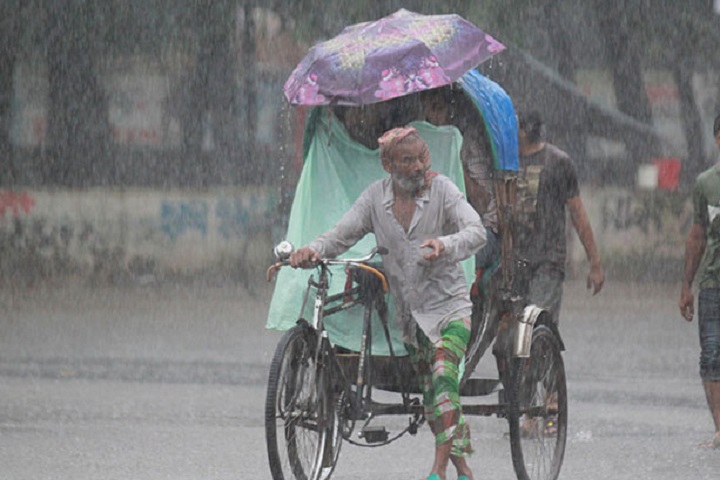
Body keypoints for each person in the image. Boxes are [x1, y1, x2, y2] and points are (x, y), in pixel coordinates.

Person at [290, 126, 486, 480]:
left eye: (421, 158)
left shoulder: (443, 190)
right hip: (412, 320)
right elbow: (340, 234)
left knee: (444, 377)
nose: (416, 168)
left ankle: (437, 473)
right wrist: (313, 250)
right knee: (435, 403)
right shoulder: (373, 201)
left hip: (451, 309)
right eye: (407, 161)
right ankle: (465, 471)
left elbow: (476, 231)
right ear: (388, 165)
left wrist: (445, 244)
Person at [514, 111, 605, 324]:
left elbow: (578, 214)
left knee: (535, 323)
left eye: (514, 127)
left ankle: (543, 355)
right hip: (516, 261)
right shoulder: (508, 160)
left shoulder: (557, 163)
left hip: (547, 260)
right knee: (510, 337)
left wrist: (595, 263)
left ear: (524, 132)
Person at [678, 113, 720, 449]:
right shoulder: (706, 183)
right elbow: (697, 236)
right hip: (712, 283)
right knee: (711, 355)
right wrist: (685, 287)